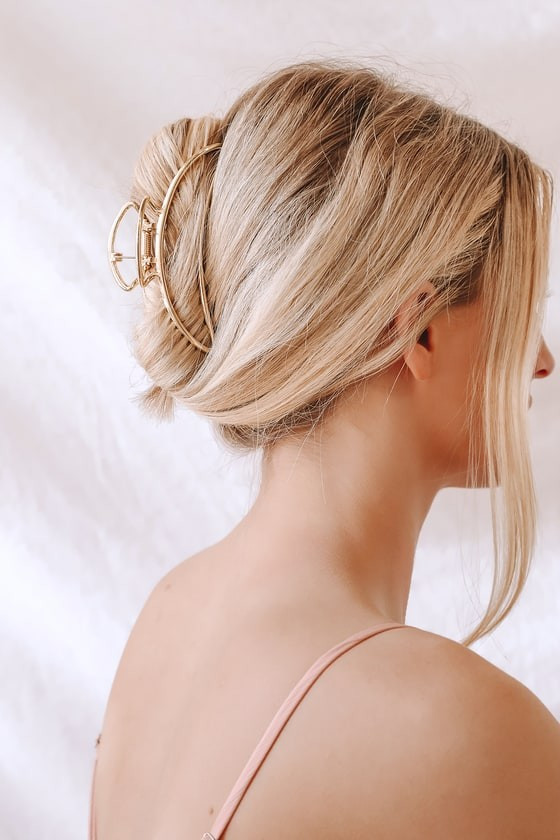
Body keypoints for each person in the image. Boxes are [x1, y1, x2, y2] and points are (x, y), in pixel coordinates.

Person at [95, 58, 560, 838]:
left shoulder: (169, 613)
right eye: (521, 309)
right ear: (418, 330)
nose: (543, 359)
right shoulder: (462, 734)